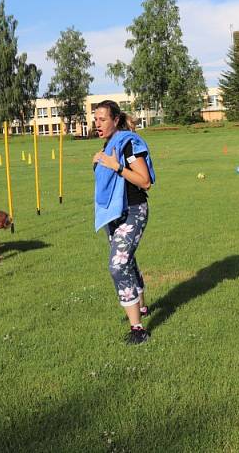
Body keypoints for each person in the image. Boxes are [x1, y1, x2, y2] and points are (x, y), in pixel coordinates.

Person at [93, 101, 155, 345]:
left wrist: (116, 166)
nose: (97, 124)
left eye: (102, 119)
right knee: (127, 261)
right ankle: (141, 308)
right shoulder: (109, 144)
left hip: (133, 210)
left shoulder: (128, 143)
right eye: (95, 119)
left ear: (116, 120)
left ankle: (138, 329)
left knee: (118, 266)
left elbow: (144, 181)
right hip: (114, 213)